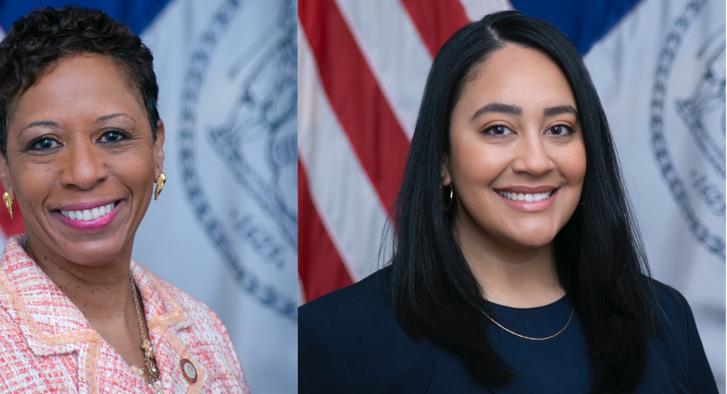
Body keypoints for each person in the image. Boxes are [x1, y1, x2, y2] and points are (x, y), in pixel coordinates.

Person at [298, 11, 717, 394]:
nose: (536, 162)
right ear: (442, 160)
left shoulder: (663, 320)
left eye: (559, 129)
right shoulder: (341, 338)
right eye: (498, 129)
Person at [0, 6, 248, 393]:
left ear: (157, 146)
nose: (83, 173)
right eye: (44, 143)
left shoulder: (203, 328)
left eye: (113, 135)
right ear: (4, 166)